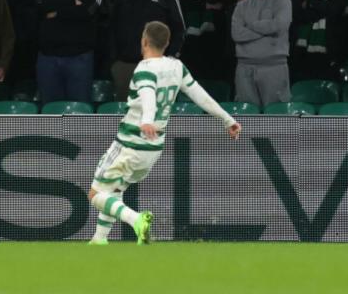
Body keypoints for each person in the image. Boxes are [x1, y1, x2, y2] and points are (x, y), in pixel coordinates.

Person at [87, 20, 241, 245]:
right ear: (167, 43)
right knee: (115, 189)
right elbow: (199, 95)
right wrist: (227, 119)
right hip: (154, 147)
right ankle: (99, 240)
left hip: (131, 143)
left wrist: (147, 120)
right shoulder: (176, 67)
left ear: (144, 40)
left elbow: (148, 94)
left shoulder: (144, 68)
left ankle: (136, 219)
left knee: (95, 194)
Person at [109, 0, 186, 102]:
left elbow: (180, 30)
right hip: (125, 66)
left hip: (157, 68)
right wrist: (114, 61)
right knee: (128, 114)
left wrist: (169, 58)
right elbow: (112, 28)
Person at [231, 0, 292, 107]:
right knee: (246, 115)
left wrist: (250, 25)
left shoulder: (283, 1)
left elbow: (278, 26)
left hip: (275, 67)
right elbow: (237, 34)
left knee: (276, 116)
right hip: (245, 68)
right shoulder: (241, 6)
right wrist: (266, 28)